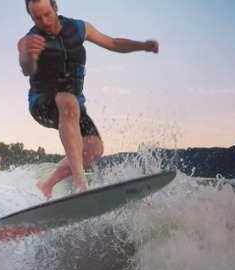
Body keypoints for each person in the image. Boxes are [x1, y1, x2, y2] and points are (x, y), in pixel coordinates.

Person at [18, 0, 158, 199]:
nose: (45, 21)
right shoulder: (28, 40)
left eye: (47, 14)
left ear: (55, 7)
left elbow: (113, 43)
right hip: (42, 103)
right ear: (31, 17)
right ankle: (81, 186)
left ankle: (47, 184)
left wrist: (142, 45)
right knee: (68, 101)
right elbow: (26, 68)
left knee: (93, 149)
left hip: (73, 106)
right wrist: (29, 55)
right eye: (37, 18)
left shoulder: (79, 28)